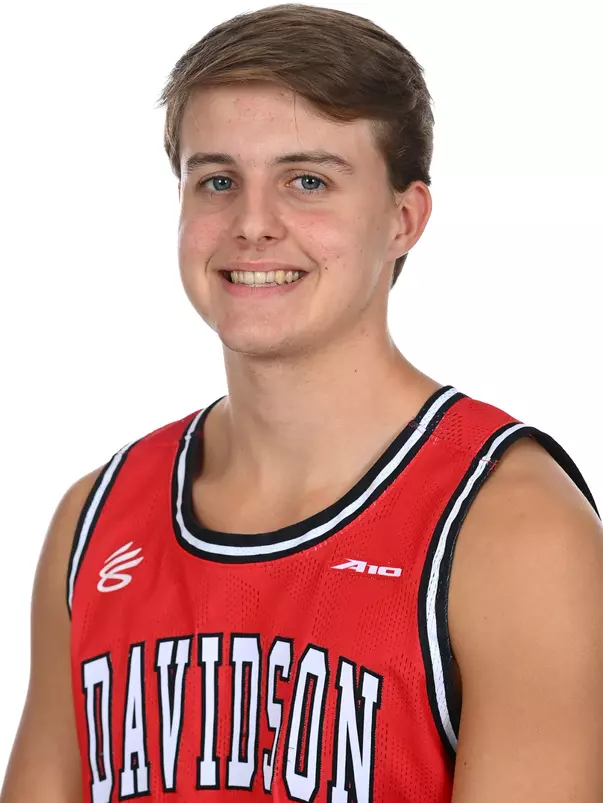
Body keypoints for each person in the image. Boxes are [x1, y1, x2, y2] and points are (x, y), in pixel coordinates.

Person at [2, 4, 602, 802]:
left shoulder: (512, 528)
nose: (252, 224)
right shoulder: (95, 519)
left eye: (307, 181)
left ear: (403, 219)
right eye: (218, 181)